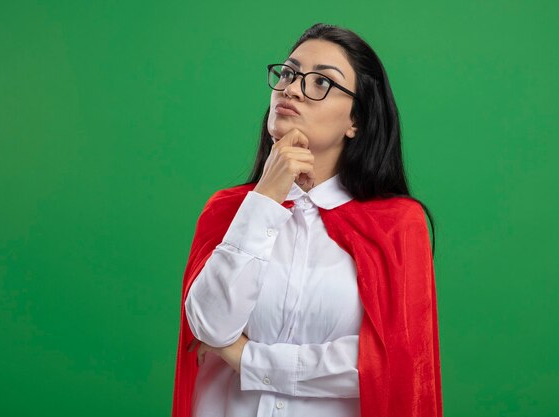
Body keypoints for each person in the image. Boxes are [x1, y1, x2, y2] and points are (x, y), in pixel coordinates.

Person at [173, 23, 442, 417]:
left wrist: (247, 358)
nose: (293, 89)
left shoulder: (397, 225)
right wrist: (265, 197)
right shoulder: (228, 212)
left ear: (356, 121)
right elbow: (208, 327)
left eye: (322, 83)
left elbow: (386, 365)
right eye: (288, 73)